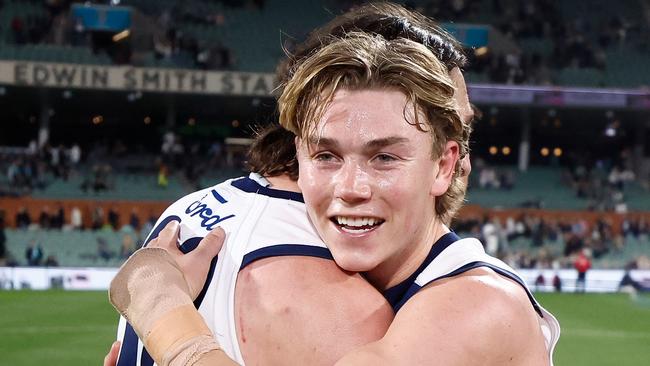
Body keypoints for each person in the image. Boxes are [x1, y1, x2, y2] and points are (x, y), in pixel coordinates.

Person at [109, 3, 559, 366]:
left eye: (384, 157)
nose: (351, 186)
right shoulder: (337, 273)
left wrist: (160, 308)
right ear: (299, 153)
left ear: (445, 163)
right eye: (327, 155)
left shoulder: (480, 306)